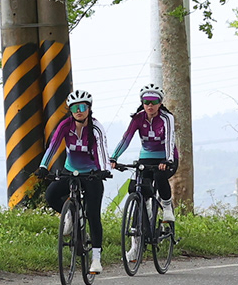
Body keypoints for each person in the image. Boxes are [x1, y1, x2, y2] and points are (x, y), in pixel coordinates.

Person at [39, 88, 111, 275]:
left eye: (82, 107)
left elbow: (103, 150)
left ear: (89, 108)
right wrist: (43, 166)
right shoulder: (65, 126)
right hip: (70, 171)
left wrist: (105, 170)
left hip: (92, 174)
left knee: (93, 214)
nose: (79, 110)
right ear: (70, 110)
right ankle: (70, 214)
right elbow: (52, 147)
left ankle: (96, 258)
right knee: (51, 194)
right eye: (74, 108)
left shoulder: (96, 127)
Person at [111, 85, 179, 260]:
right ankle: (135, 246)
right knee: (137, 189)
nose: (150, 106)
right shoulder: (138, 118)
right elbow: (126, 139)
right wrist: (113, 157)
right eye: (146, 102)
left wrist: (168, 160)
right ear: (142, 103)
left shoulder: (167, 118)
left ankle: (165, 206)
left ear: (160, 103)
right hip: (146, 158)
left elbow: (170, 140)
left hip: (166, 157)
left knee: (159, 175)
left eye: (154, 102)